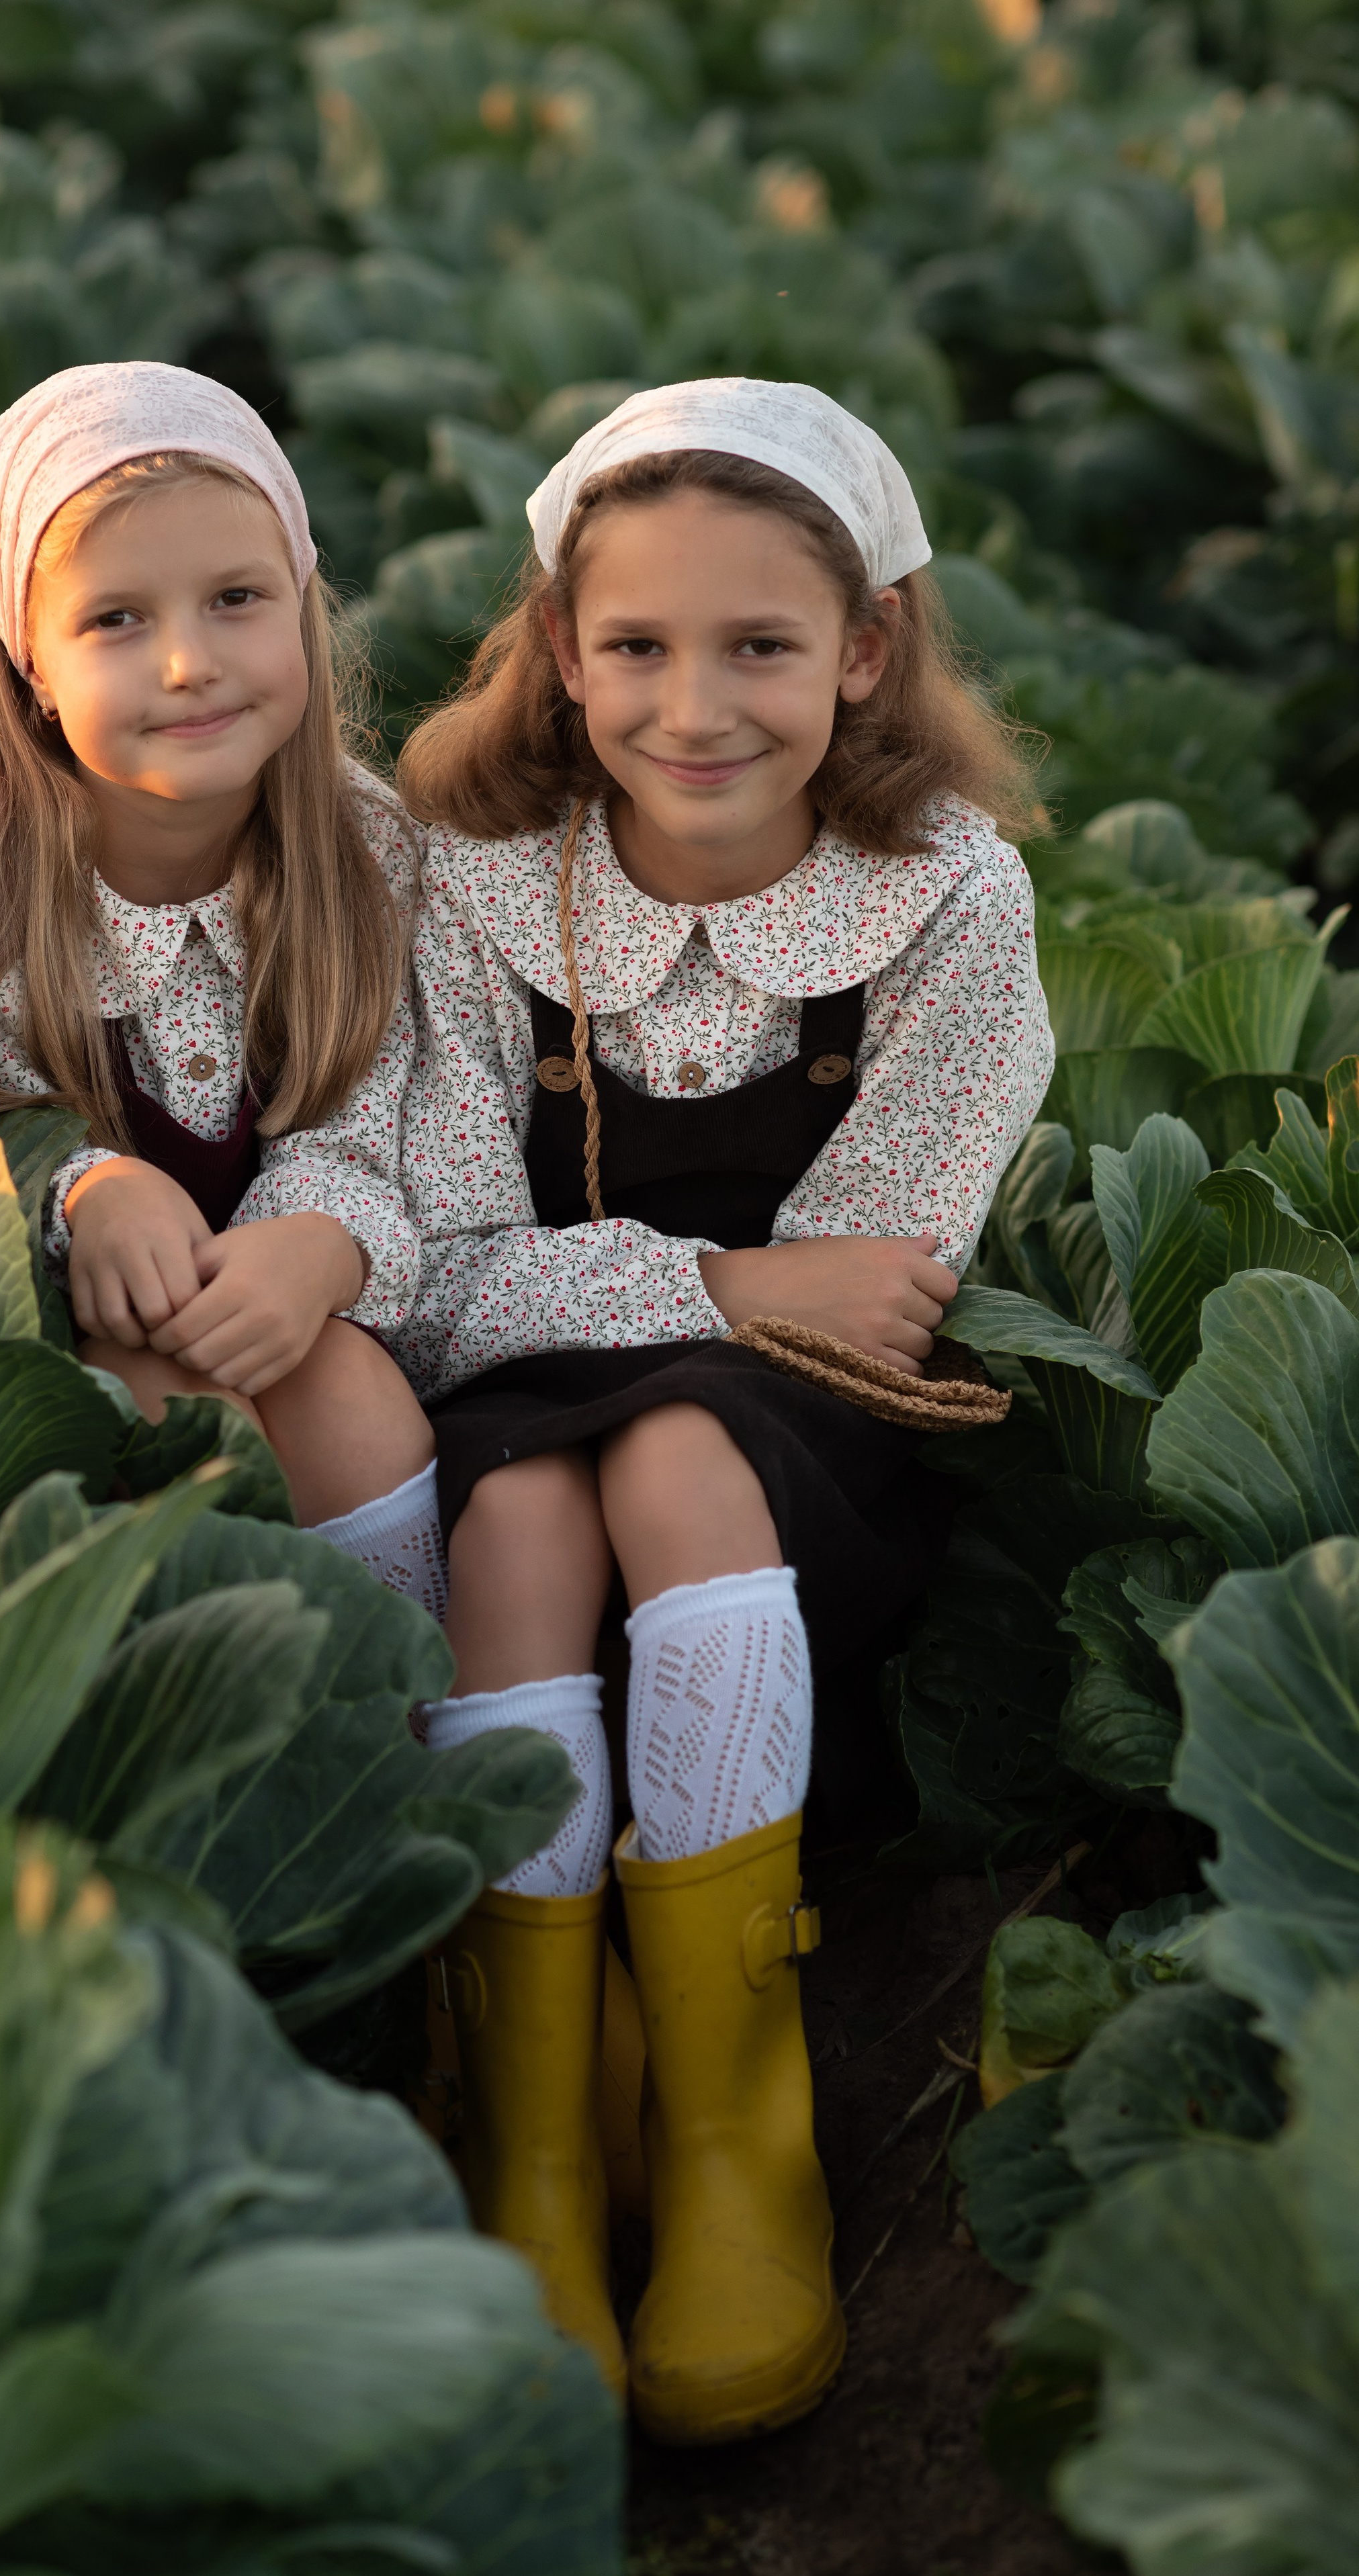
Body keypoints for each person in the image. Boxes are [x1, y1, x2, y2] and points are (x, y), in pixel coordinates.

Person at [392, 379, 1055, 2436]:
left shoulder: (950, 896)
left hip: (797, 1451)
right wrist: (731, 1278)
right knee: (517, 1516)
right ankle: (536, 2129)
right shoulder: (468, 881)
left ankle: (731, 2118)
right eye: (637, 646)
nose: (695, 706)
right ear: (560, 648)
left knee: (677, 1450)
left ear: (863, 649)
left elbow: (875, 1308)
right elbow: (425, 1270)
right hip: (510, 1397)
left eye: (761, 644)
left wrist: (733, 1313)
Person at [0, 362, 443, 1613]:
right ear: (31, 668)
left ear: (303, 604)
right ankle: (231, 1691)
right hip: (57, 1345)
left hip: (310, 1305)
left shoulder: (373, 859)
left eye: (236, 599)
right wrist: (85, 1187)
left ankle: (413, 1703)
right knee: (173, 1409)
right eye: (116, 620)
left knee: (350, 1392)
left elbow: (404, 1112)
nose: (188, 663)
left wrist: (321, 1245)